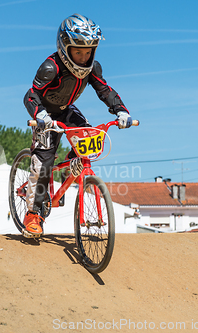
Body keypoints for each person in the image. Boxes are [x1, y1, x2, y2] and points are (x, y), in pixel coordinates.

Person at [22, 13, 133, 237]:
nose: (83, 57)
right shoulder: (50, 67)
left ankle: (67, 171)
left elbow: (105, 91)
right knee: (44, 162)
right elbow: (30, 95)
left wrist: (121, 110)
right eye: (78, 51)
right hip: (46, 116)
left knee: (91, 138)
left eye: (88, 51)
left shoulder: (93, 68)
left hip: (68, 111)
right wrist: (40, 114)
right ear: (65, 47)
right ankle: (33, 214)